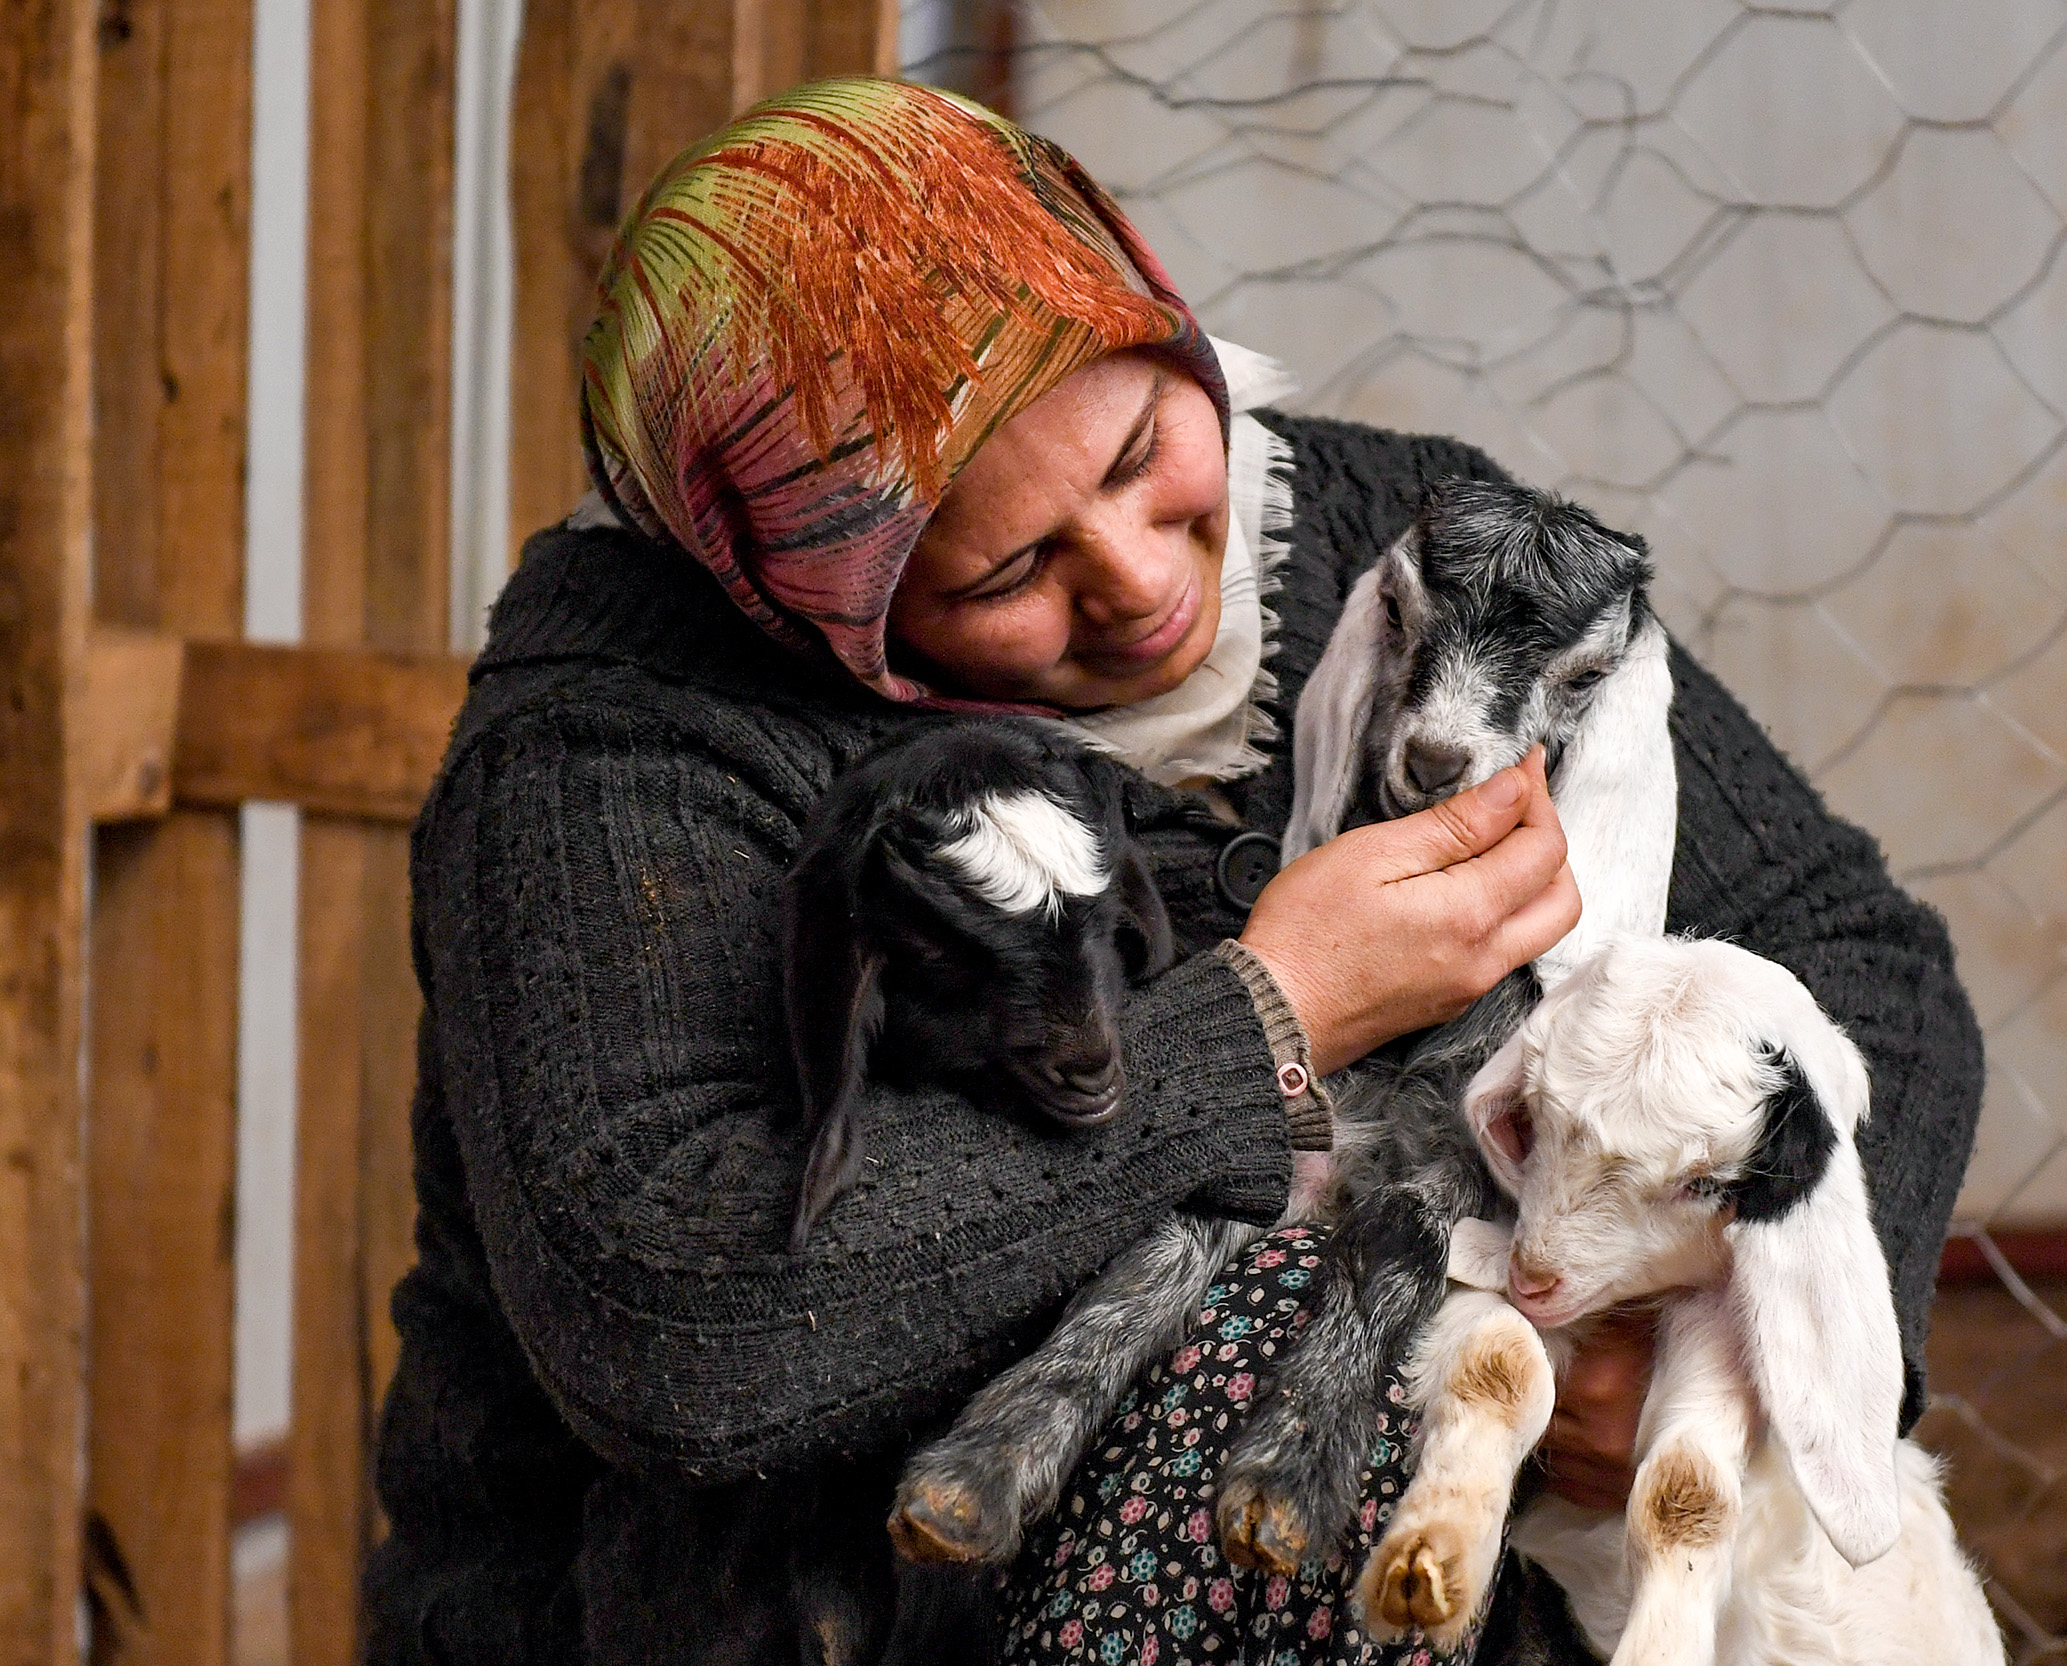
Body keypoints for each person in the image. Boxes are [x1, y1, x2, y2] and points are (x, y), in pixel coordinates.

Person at [364, 78, 1982, 1666]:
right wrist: (1272, 1016)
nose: (1141, 582)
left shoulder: (1402, 560)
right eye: (1010, 569)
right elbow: (678, 1325)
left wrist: (1744, 1366)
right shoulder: (614, 758)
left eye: (1145, 448)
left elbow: (1861, 961)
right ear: (818, 597)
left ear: (1167, 328)